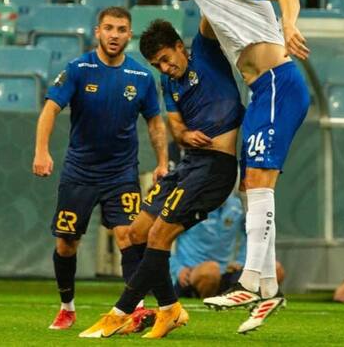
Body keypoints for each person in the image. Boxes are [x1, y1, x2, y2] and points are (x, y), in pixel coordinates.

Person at [161, 0, 310, 334]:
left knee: (258, 183)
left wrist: (289, 26)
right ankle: (269, 290)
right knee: (253, 187)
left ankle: (248, 282)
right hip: (261, 92)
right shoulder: (211, 11)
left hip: (278, 82)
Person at [79, 18, 244, 339]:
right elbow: (176, 127)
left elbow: (210, 14)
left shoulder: (206, 55)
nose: (165, 68)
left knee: (158, 236)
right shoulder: (169, 84)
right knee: (134, 233)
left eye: (167, 59)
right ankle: (170, 309)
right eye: (158, 65)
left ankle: (121, 312)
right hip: (189, 164)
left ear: (180, 47)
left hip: (215, 168)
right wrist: (185, 133)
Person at [32, 6, 168, 331]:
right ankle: (67, 307)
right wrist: (41, 152)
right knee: (66, 243)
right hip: (79, 172)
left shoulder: (141, 77)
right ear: (98, 32)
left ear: (129, 35)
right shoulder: (78, 69)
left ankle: (135, 309)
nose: (114, 35)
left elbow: (154, 122)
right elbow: (50, 109)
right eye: (109, 28)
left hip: (121, 173)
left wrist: (163, 162)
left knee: (129, 235)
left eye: (121, 29)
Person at [172, 194, 286, 299]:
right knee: (211, 270)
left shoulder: (236, 205)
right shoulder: (188, 204)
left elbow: (252, 234)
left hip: (226, 273)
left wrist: (243, 261)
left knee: (275, 268)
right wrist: (177, 268)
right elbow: (161, 240)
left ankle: (256, 309)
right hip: (192, 273)